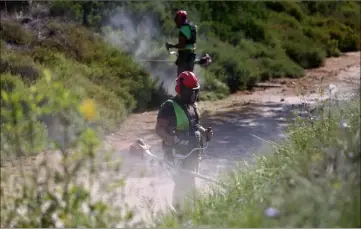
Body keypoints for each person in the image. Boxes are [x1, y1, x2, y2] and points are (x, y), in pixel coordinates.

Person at [155, 71, 213, 210]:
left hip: (192, 152)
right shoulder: (169, 107)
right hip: (177, 154)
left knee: (189, 181)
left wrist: (205, 132)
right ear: (182, 90)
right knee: (183, 183)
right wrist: (169, 138)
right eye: (192, 92)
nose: (195, 95)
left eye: (196, 91)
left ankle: (186, 211)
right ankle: (179, 213)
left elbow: (194, 125)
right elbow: (159, 129)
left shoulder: (192, 106)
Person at [166, 10, 197, 77]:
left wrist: (171, 45)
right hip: (192, 55)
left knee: (181, 78)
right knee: (189, 77)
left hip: (184, 56)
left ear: (179, 19)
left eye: (177, 19)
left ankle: (182, 87)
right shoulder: (192, 26)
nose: (176, 22)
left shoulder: (184, 28)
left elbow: (182, 45)